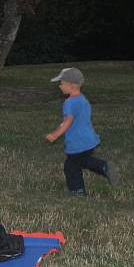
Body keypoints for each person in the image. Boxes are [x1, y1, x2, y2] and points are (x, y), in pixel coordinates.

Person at [45, 67, 119, 195]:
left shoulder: (69, 103)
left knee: (71, 166)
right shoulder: (83, 99)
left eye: (62, 83)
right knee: (82, 161)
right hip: (88, 139)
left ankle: (78, 190)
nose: (60, 86)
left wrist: (55, 134)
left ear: (72, 85)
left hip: (78, 141)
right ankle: (102, 168)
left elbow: (68, 122)